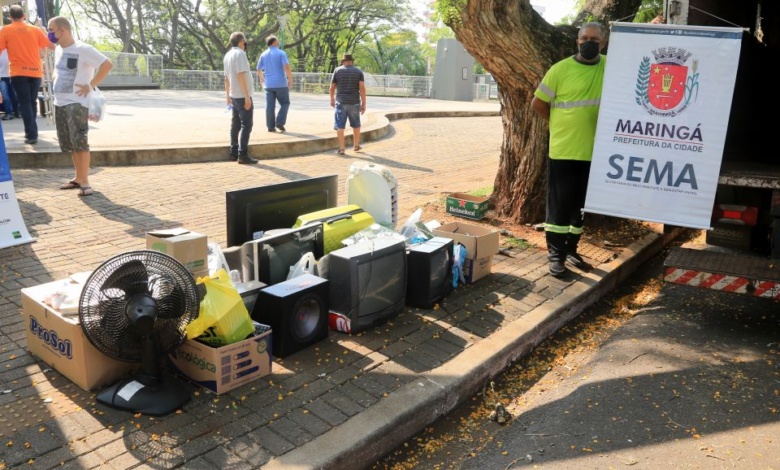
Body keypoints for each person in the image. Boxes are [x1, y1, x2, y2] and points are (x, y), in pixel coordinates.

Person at [530, 22, 607, 278]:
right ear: (576, 41)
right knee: (559, 208)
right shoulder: (560, 69)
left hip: (596, 153)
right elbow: (538, 103)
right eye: (584, 38)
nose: (588, 43)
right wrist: (557, 124)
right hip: (563, 151)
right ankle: (556, 256)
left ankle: (571, 250)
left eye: (594, 40)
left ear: (603, 43)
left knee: (580, 208)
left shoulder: (611, 68)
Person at [47, 16, 112, 196]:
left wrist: (90, 85)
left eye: (51, 30)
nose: (49, 34)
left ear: (63, 30)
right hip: (60, 102)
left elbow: (107, 65)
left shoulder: (83, 49)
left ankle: (85, 182)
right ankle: (78, 178)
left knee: (80, 141)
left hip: (76, 102)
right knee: (71, 144)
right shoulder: (59, 49)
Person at [0, 5, 55, 144]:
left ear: (10, 17)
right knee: (32, 101)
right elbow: (51, 45)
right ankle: (32, 131)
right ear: (23, 15)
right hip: (35, 72)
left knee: (24, 103)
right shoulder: (35, 30)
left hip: (18, 72)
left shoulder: (6, 30)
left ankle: (31, 134)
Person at [224, 31, 257, 164]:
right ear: (241, 41)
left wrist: (227, 96)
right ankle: (242, 154)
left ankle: (233, 151)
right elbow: (240, 75)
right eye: (245, 41)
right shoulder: (240, 54)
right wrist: (247, 97)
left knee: (235, 124)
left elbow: (226, 78)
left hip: (233, 95)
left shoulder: (227, 55)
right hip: (242, 95)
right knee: (247, 125)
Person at [329, 53, 366, 155]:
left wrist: (332, 99)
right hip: (354, 102)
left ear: (343, 61)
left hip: (340, 102)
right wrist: (364, 104)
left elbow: (332, 88)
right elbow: (362, 88)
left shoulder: (337, 70)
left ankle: (342, 149)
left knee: (340, 126)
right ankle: (356, 146)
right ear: (352, 61)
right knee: (356, 125)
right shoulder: (358, 71)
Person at [256, 35, 292, 133]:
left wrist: (262, 79)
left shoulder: (263, 54)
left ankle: (270, 126)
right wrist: (290, 79)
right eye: (278, 40)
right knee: (285, 103)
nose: (279, 42)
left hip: (269, 84)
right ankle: (280, 122)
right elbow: (287, 67)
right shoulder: (281, 53)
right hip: (281, 83)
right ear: (274, 42)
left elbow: (258, 69)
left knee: (269, 106)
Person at [0, 50, 20, 121]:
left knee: (15, 95)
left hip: (12, 75)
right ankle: (9, 113)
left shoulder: (11, 49)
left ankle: (17, 111)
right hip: (2, 77)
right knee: (5, 96)